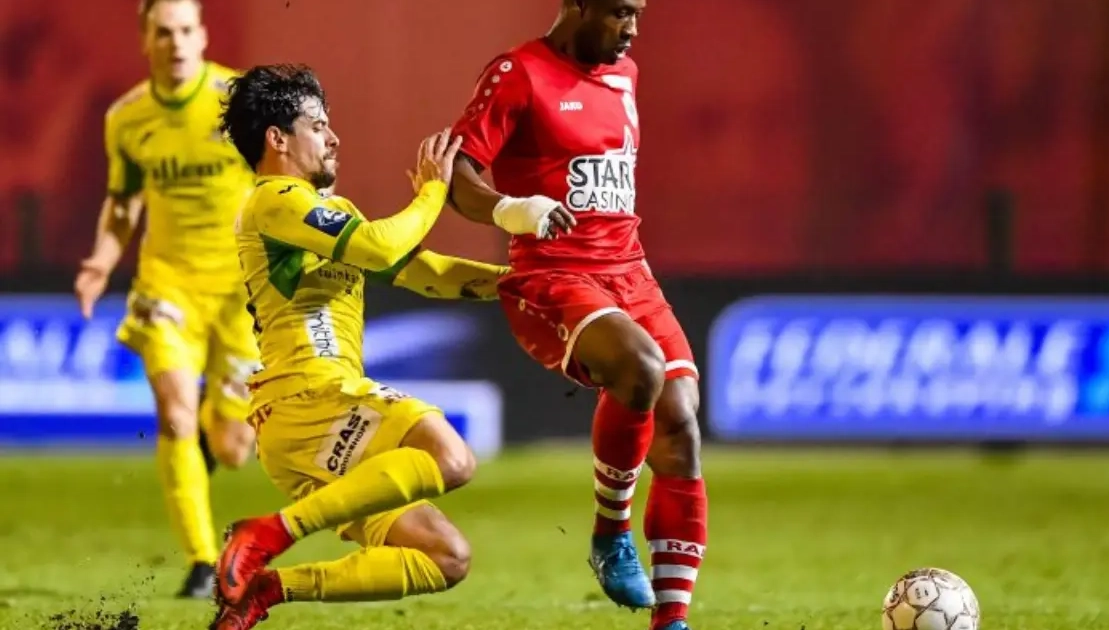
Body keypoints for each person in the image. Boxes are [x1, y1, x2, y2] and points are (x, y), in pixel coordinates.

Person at [210, 64, 506, 630]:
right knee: (450, 457)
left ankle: (267, 590)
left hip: (312, 419)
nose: (334, 138)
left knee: (445, 557)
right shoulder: (274, 200)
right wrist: (433, 191)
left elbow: (427, 273)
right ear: (277, 139)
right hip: (310, 397)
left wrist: (520, 282)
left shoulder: (323, 215)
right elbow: (377, 247)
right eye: (318, 126)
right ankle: (267, 533)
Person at [448, 2, 706, 629]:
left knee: (680, 420)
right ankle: (611, 531)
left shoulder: (625, 75)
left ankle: (672, 622)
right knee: (641, 369)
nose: (632, 28)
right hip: (553, 274)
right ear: (579, 5)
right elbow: (456, 174)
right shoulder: (518, 73)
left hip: (631, 271)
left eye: (638, 13)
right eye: (619, 12)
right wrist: (511, 208)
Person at [73, 0, 258, 599]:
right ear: (145, 41)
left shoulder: (241, 101)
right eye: (163, 33)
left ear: (201, 36)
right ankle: (203, 561)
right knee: (174, 413)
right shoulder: (127, 118)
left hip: (241, 292)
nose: (175, 43)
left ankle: (210, 428)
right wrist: (101, 262)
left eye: (185, 31)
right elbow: (123, 203)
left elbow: (288, 177)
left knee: (234, 448)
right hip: (167, 286)